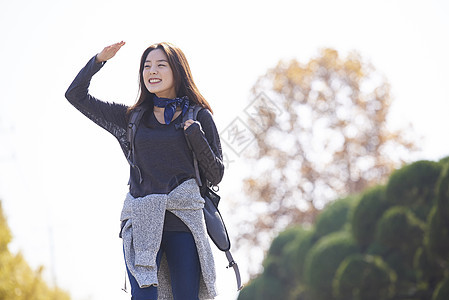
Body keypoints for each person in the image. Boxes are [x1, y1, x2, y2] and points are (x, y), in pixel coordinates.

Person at [65, 41, 224, 300]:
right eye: (147, 66)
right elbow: (75, 95)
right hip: (141, 219)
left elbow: (215, 174)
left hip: (183, 221)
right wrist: (98, 61)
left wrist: (195, 135)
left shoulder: (199, 115)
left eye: (161, 65)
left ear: (177, 71)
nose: (152, 71)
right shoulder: (132, 118)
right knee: (144, 297)